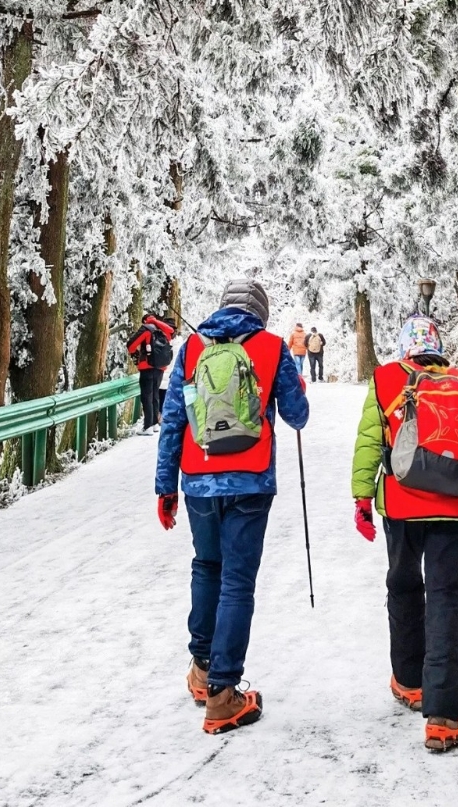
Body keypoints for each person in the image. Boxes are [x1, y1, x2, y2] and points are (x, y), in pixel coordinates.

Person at [155, 279, 309, 735]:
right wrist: (293, 384)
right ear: (260, 311)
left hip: (198, 480)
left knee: (206, 567)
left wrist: (166, 487)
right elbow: (297, 416)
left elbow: (173, 421)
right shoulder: (271, 346)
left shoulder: (190, 349)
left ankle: (203, 672)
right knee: (237, 582)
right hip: (251, 479)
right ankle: (224, 695)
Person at [351, 314, 458, 753]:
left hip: (401, 504)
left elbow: (369, 443)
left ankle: (410, 681)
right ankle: (444, 716)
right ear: (437, 347)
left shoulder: (385, 379)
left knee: (404, 587)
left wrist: (361, 498)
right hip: (454, 507)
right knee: (447, 599)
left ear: (403, 348)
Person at [127, 313, 175, 436]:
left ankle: (147, 426)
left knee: (146, 396)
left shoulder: (146, 329)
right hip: (160, 367)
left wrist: (135, 355)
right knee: (155, 395)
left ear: (145, 321)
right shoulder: (164, 330)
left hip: (147, 367)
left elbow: (131, 345)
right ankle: (154, 424)